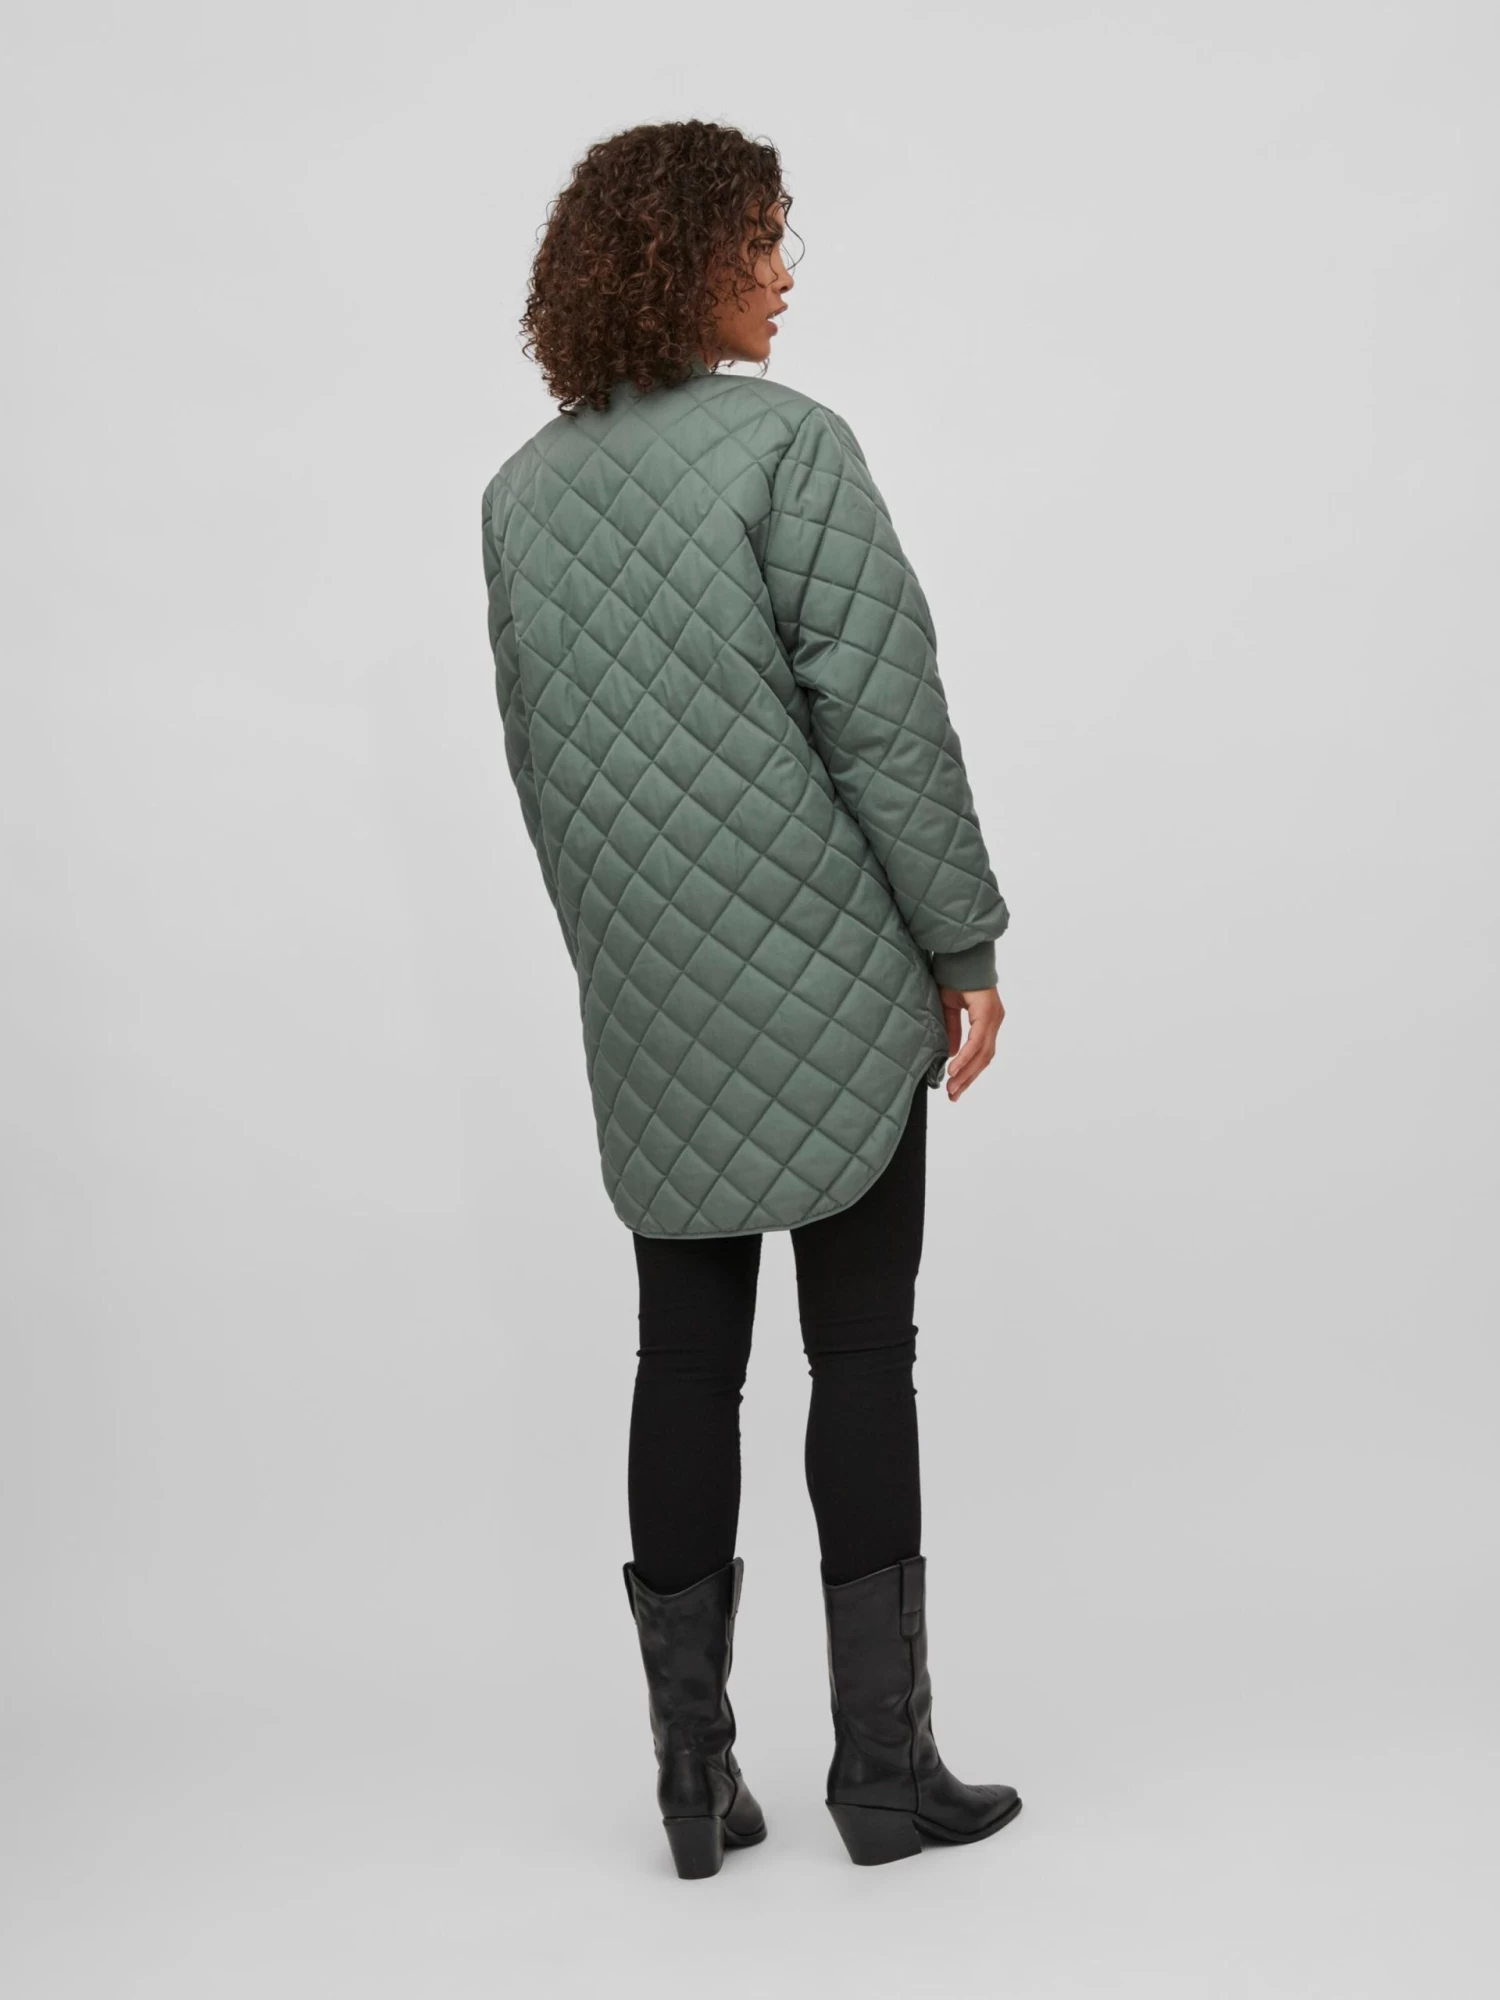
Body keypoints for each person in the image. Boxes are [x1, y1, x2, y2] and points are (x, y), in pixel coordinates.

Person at [480, 119, 1022, 1875]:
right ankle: (886, 1775)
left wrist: (622, 956)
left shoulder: (519, 497)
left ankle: (692, 1784)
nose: (786, 275)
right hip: (835, 980)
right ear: (683, 257)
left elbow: (540, 767)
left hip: (649, 993)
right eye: (762, 241)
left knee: (680, 1362)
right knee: (861, 1355)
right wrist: (961, 944)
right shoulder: (791, 446)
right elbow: (887, 719)